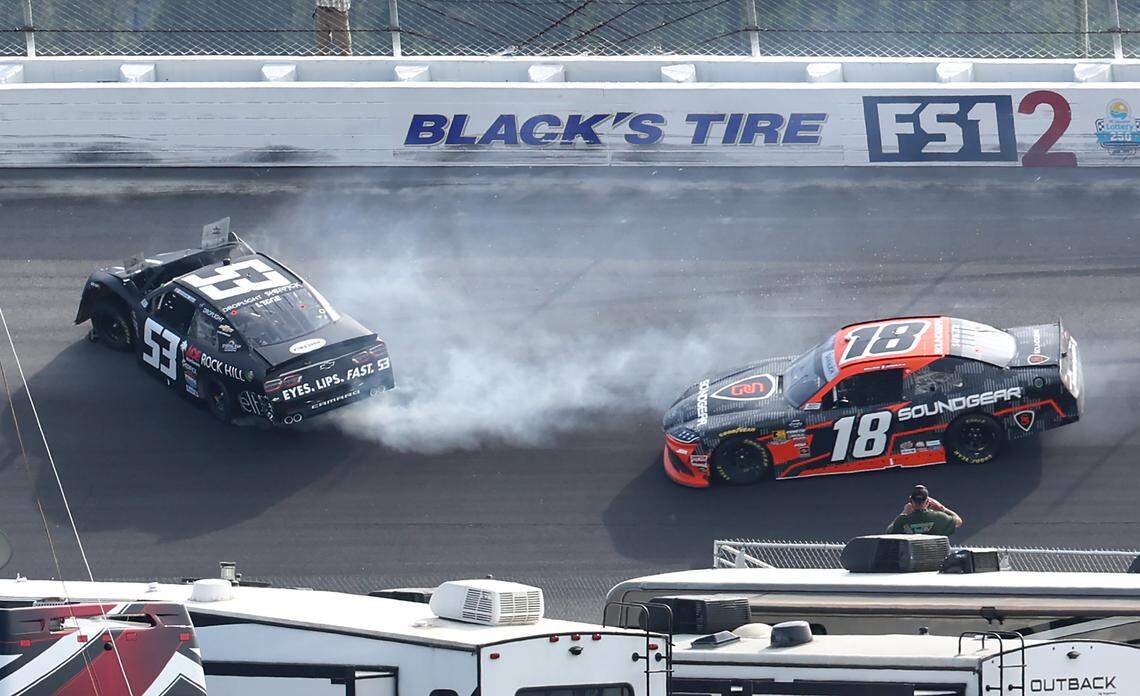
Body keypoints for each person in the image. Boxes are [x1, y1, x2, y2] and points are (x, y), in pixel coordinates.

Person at [886, 484, 963, 536]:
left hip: (912, 558)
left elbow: (889, 532)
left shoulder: (902, 520)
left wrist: (904, 512)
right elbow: (959, 521)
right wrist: (942, 508)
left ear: (910, 500)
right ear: (927, 501)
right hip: (936, 558)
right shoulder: (940, 517)